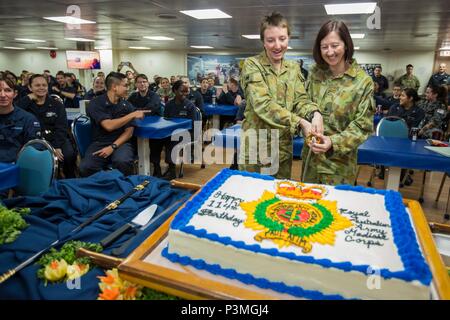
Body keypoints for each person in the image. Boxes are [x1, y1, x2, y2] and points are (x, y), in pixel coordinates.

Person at [239, 12, 322, 179]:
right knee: (252, 199)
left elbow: (300, 100)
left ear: (289, 38)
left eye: (282, 39)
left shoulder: (293, 68)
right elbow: (263, 104)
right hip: (256, 150)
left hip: (282, 149)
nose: (277, 45)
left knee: (278, 198)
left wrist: (315, 113)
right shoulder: (251, 65)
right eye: (270, 40)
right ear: (263, 41)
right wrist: (299, 122)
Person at [303, 20, 375, 185]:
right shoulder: (315, 74)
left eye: (335, 45)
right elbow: (303, 102)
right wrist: (313, 114)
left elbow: (362, 126)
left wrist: (332, 142)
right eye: (324, 47)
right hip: (310, 163)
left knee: (334, 209)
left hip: (338, 167)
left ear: (346, 45)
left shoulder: (362, 82)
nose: (330, 52)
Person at [79, 72, 145, 177]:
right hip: (100, 142)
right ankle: (102, 187)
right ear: (114, 87)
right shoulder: (95, 103)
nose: (127, 88)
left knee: (122, 162)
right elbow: (109, 126)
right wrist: (132, 115)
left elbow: (129, 133)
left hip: (121, 143)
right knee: (86, 167)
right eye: (125, 85)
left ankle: (124, 188)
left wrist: (113, 147)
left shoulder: (127, 105)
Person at [17, 74, 77, 178]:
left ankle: (69, 181)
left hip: (56, 138)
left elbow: (61, 127)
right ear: (30, 87)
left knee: (68, 154)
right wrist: (27, 98)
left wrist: (57, 146)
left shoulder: (57, 104)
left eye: (44, 85)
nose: (41, 88)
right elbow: (14, 112)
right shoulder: (25, 104)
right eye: (37, 85)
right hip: (33, 139)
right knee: (38, 157)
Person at [149, 80, 196, 180]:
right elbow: (166, 121)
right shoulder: (169, 105)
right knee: (155, 140)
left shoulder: (190, 106)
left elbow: (194, 125)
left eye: (186, 91)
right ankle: (156, 168)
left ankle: (172, 170)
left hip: (186, 133)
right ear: (174, 91)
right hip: (169, 132)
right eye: (181, 91)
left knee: (172, 140)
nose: (184, 94)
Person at [0, 75, 40, 163]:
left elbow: (33, 149)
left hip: (16, 167)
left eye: (7, 90)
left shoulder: (28, 119)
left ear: (15, 94)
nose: (2, 95)